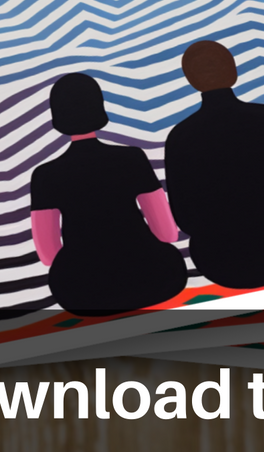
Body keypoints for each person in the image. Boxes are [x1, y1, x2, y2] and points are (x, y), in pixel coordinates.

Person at [162, 41, 264, 290]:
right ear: (233, 71)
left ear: (191, 80)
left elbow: (185, 220)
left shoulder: (180, 137)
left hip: (225, 264)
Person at [28, 72, 187, 316]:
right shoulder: (132, 158)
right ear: (99, 109)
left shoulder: (44, 175)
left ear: (57, 116)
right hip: (156, 278)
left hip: (82, 293)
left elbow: (49, 255)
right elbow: (167, 233)